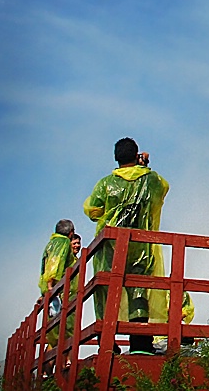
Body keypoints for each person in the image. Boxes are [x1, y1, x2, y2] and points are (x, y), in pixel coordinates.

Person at [83, 137, 169, 354]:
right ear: (136, 155)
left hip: (110, 245)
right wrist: (144, 168)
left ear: (116, 158)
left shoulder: (105, 184)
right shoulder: (151, 180)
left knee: (106, 289)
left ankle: (107, 343)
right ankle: (140, 343)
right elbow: (163, 190)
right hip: (140, 244)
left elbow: (92, 210)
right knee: (138, 287)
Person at [39, 220, 77, 350]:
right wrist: (52, 285)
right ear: (71, 233)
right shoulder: (63, 242)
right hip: (57, 291)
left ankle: (47, 368)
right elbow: (55, 263)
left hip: (50, 291)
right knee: (62, 331)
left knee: (55, 331)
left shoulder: (51, 243)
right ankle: (60, 365)